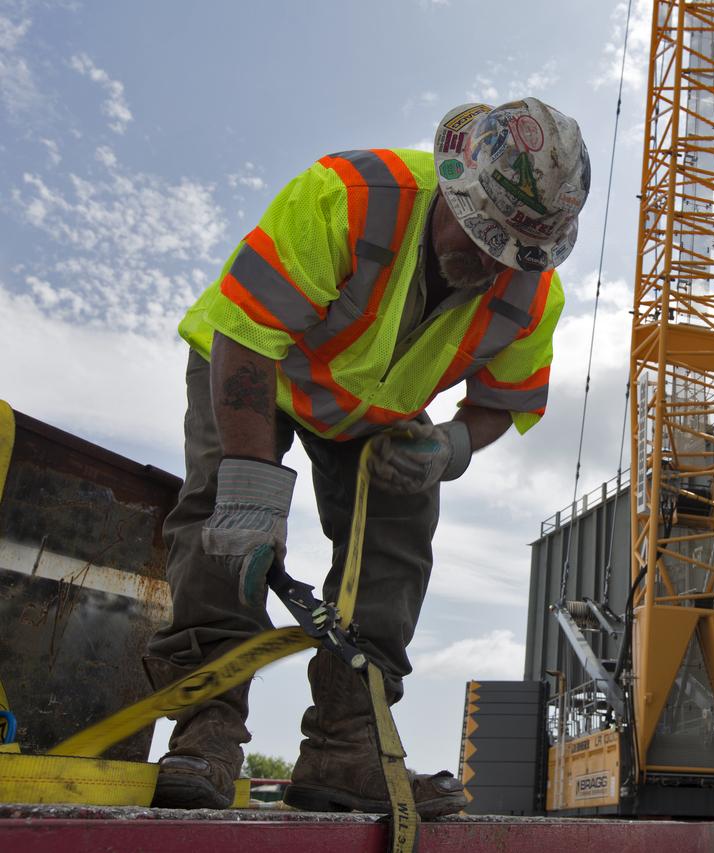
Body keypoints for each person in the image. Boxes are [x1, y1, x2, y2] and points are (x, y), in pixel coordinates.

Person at [143, 98, 589, 816]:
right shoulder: (347, 197)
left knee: (400, 540)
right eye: (477, 234)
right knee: (219, 522)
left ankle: (348, 747)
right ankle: (207, 729)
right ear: (449, 186)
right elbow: (249, 335)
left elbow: (503, 399)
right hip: (260, 373)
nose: (485, 262)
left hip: (376, 414)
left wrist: (450, 446)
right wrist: (253, 489)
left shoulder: (532, 298)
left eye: (508, 250)